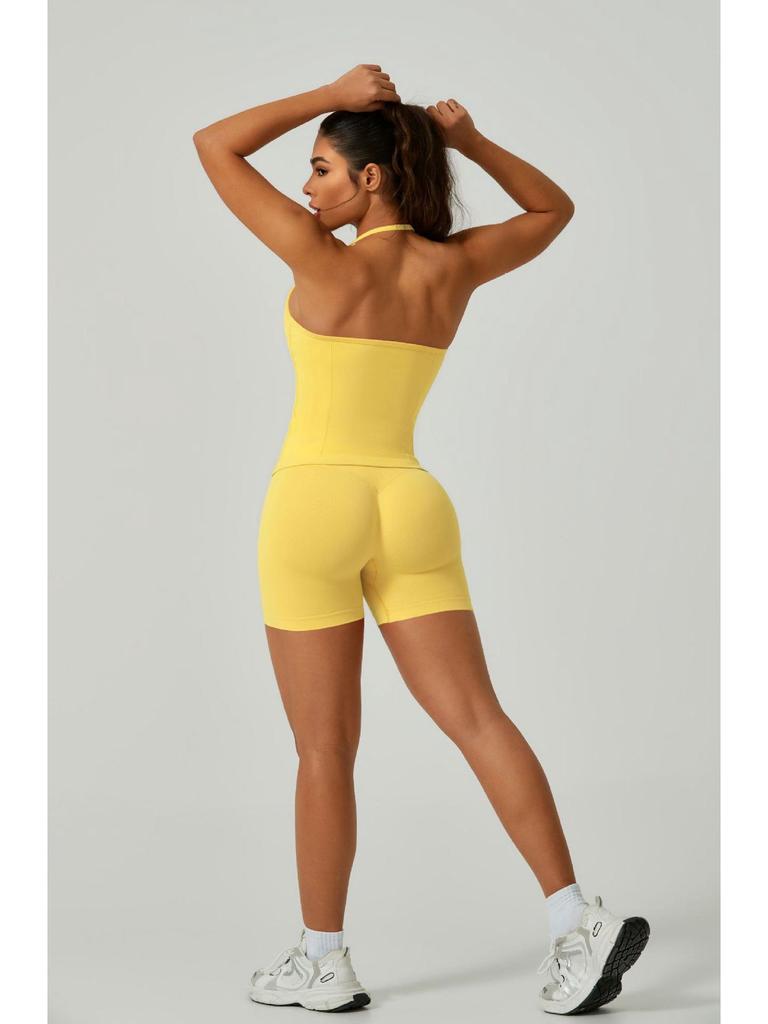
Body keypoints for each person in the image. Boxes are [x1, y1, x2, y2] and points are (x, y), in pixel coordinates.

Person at [193, 63, 650, 1015]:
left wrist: (327, 90)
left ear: (370, 179)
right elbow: (553, 209)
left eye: (321, 168)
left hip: (313, 505)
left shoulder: (320, 261)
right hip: (411, 502)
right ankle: (576, 919)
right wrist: (468, 141)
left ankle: (324, 960)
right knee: (480, 717)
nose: (305, 188)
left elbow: (212, 144)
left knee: (324, 750)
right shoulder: (454, 268)